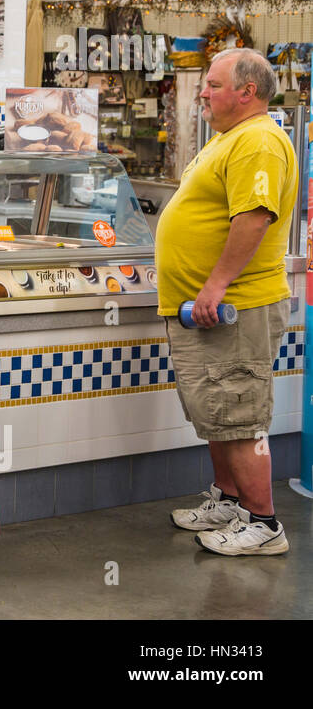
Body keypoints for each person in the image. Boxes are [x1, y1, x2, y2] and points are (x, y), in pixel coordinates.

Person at [158, 48, 295, 556]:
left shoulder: (258, 140)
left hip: (234, 306)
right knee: (219, 412)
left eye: (213, 84)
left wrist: (215, 286)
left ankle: (264, 525)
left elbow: (253, 218)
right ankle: (230, 502)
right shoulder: (230, 138)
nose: (203, 92)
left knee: (242, 417)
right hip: (205, 310)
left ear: (247, 92)